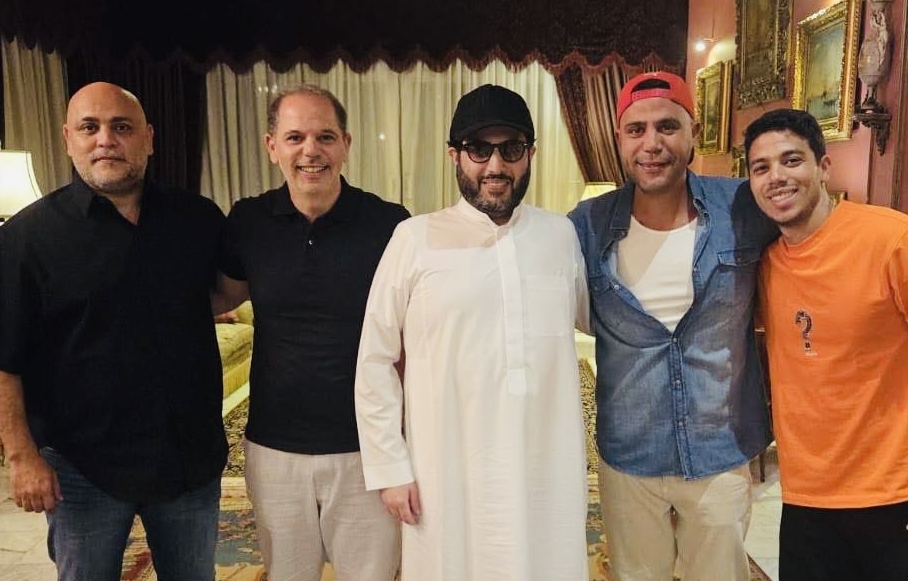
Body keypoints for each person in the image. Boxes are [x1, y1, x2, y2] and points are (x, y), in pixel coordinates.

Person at [0, 82, 227, 581]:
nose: (105, 140)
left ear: (149, 138)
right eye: (89, 127)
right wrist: (21, 456)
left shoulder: (197, 219)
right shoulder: (27, 237)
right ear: (67, 139)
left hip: (187, 460)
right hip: (81, 470)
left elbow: (222, 293)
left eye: (121, 127)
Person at [743, 108, 908, 581]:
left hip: (907, 500)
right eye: (761, 167)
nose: (777, 177)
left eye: (792, 160)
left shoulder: (903, 245)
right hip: (807, 504)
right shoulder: (766, 265)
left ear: (824, 167)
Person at [354, 84, 589, 581]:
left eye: (511, 149)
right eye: (479, 149)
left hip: (545, 468)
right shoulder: (414, 239)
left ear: (530, 154)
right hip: (445, 471)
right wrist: (390, 467)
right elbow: (374, 359)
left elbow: (595, 320)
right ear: (454, 155)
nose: (495, 166)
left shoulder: (560, 236)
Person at [568, 71, 776, 581]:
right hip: (629, 451)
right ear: (619, 139)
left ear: (693, 132)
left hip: (719, 448)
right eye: (636, 130)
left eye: (667, 126)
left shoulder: (742, 208)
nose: (652, 144)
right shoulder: (585, 225)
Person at [215, 85, 408, 580]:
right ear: (271, 146)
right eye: (295, 137)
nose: (310, 151)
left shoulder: (389, 224)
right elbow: (221, 296)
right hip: (274, 448)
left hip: (365, 447)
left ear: (346, 144)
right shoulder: (248, 221)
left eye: (325, 136)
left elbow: (416, 332)